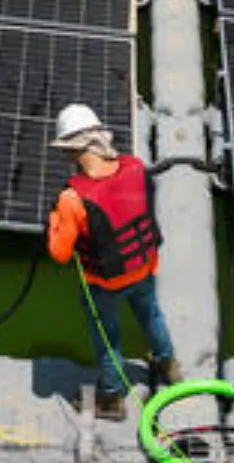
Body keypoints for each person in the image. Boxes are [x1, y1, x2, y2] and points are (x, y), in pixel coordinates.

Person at [45, 103, 177, 419]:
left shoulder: (72, 198)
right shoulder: (135, 166)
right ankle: (167, 365)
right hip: (144, 267)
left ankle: (113, 398)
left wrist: (54, 220)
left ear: (73, 151)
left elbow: (60, 254)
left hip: (105, 283)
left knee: (107, 338)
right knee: (151, 314)